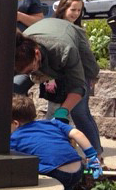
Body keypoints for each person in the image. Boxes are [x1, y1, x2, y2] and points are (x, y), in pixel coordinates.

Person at [14, 18, 103, 158]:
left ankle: (96, 156)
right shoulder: (16, 52)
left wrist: (63, 111)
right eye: (25, 72)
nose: (30, 74)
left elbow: (78, 87)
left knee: (79, 111)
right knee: (16, 87)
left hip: (72, 48)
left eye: (31, 69)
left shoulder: (65, 50)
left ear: (37, 54)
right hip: (46, 42)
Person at [10, 95, 102, 190]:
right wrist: (92, 157)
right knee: (59, 173)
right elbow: (77, 134)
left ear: (15, 123)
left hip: (55, 173)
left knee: (24, 167)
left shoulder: (14, 137)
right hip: (78, 169)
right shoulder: (52, 123)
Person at [40, 0, 86, 114]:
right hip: (58, 79)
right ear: (63, 9)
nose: (76, 13)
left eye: (79, 10)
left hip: (76, 79)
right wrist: (50, 78)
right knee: (56, 111)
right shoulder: (54, 28)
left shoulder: (78, 29)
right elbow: (49, 53)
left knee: (79, 115)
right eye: (73, 9)